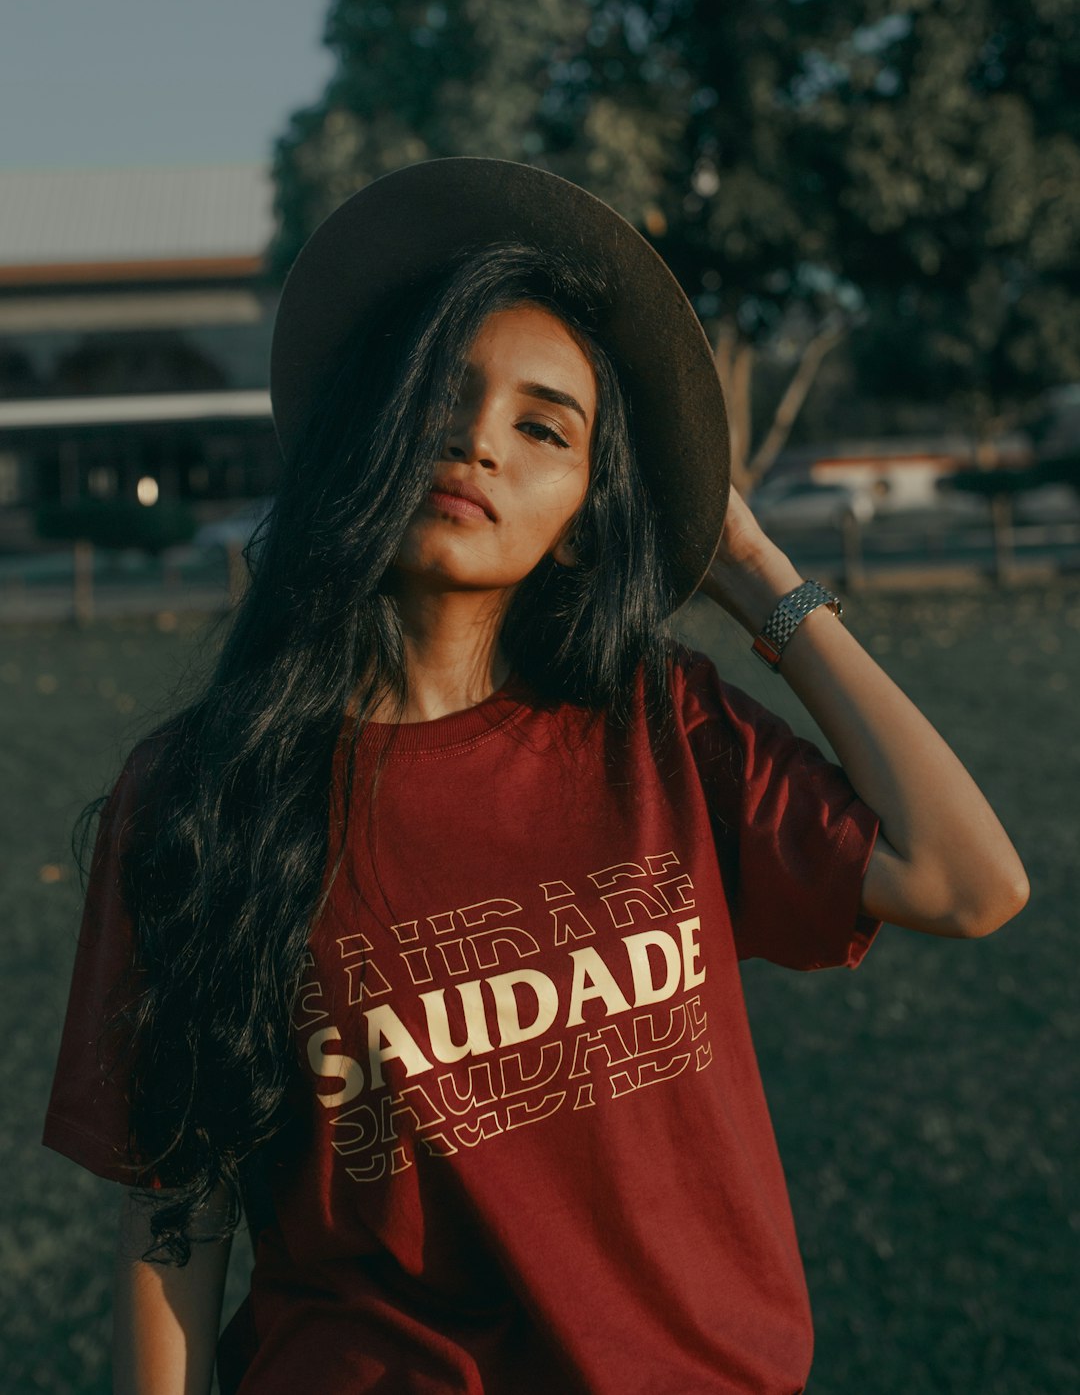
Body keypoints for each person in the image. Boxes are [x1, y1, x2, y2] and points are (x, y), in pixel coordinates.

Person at [42, 158, 1029, 1395]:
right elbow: (175, 1205)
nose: (477, 442)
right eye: (442, 394)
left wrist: (757, 571)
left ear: (583, 507)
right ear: (372, 419)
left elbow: (966, 879)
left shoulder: (653, 723)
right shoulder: (202, 790)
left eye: (544, 426)